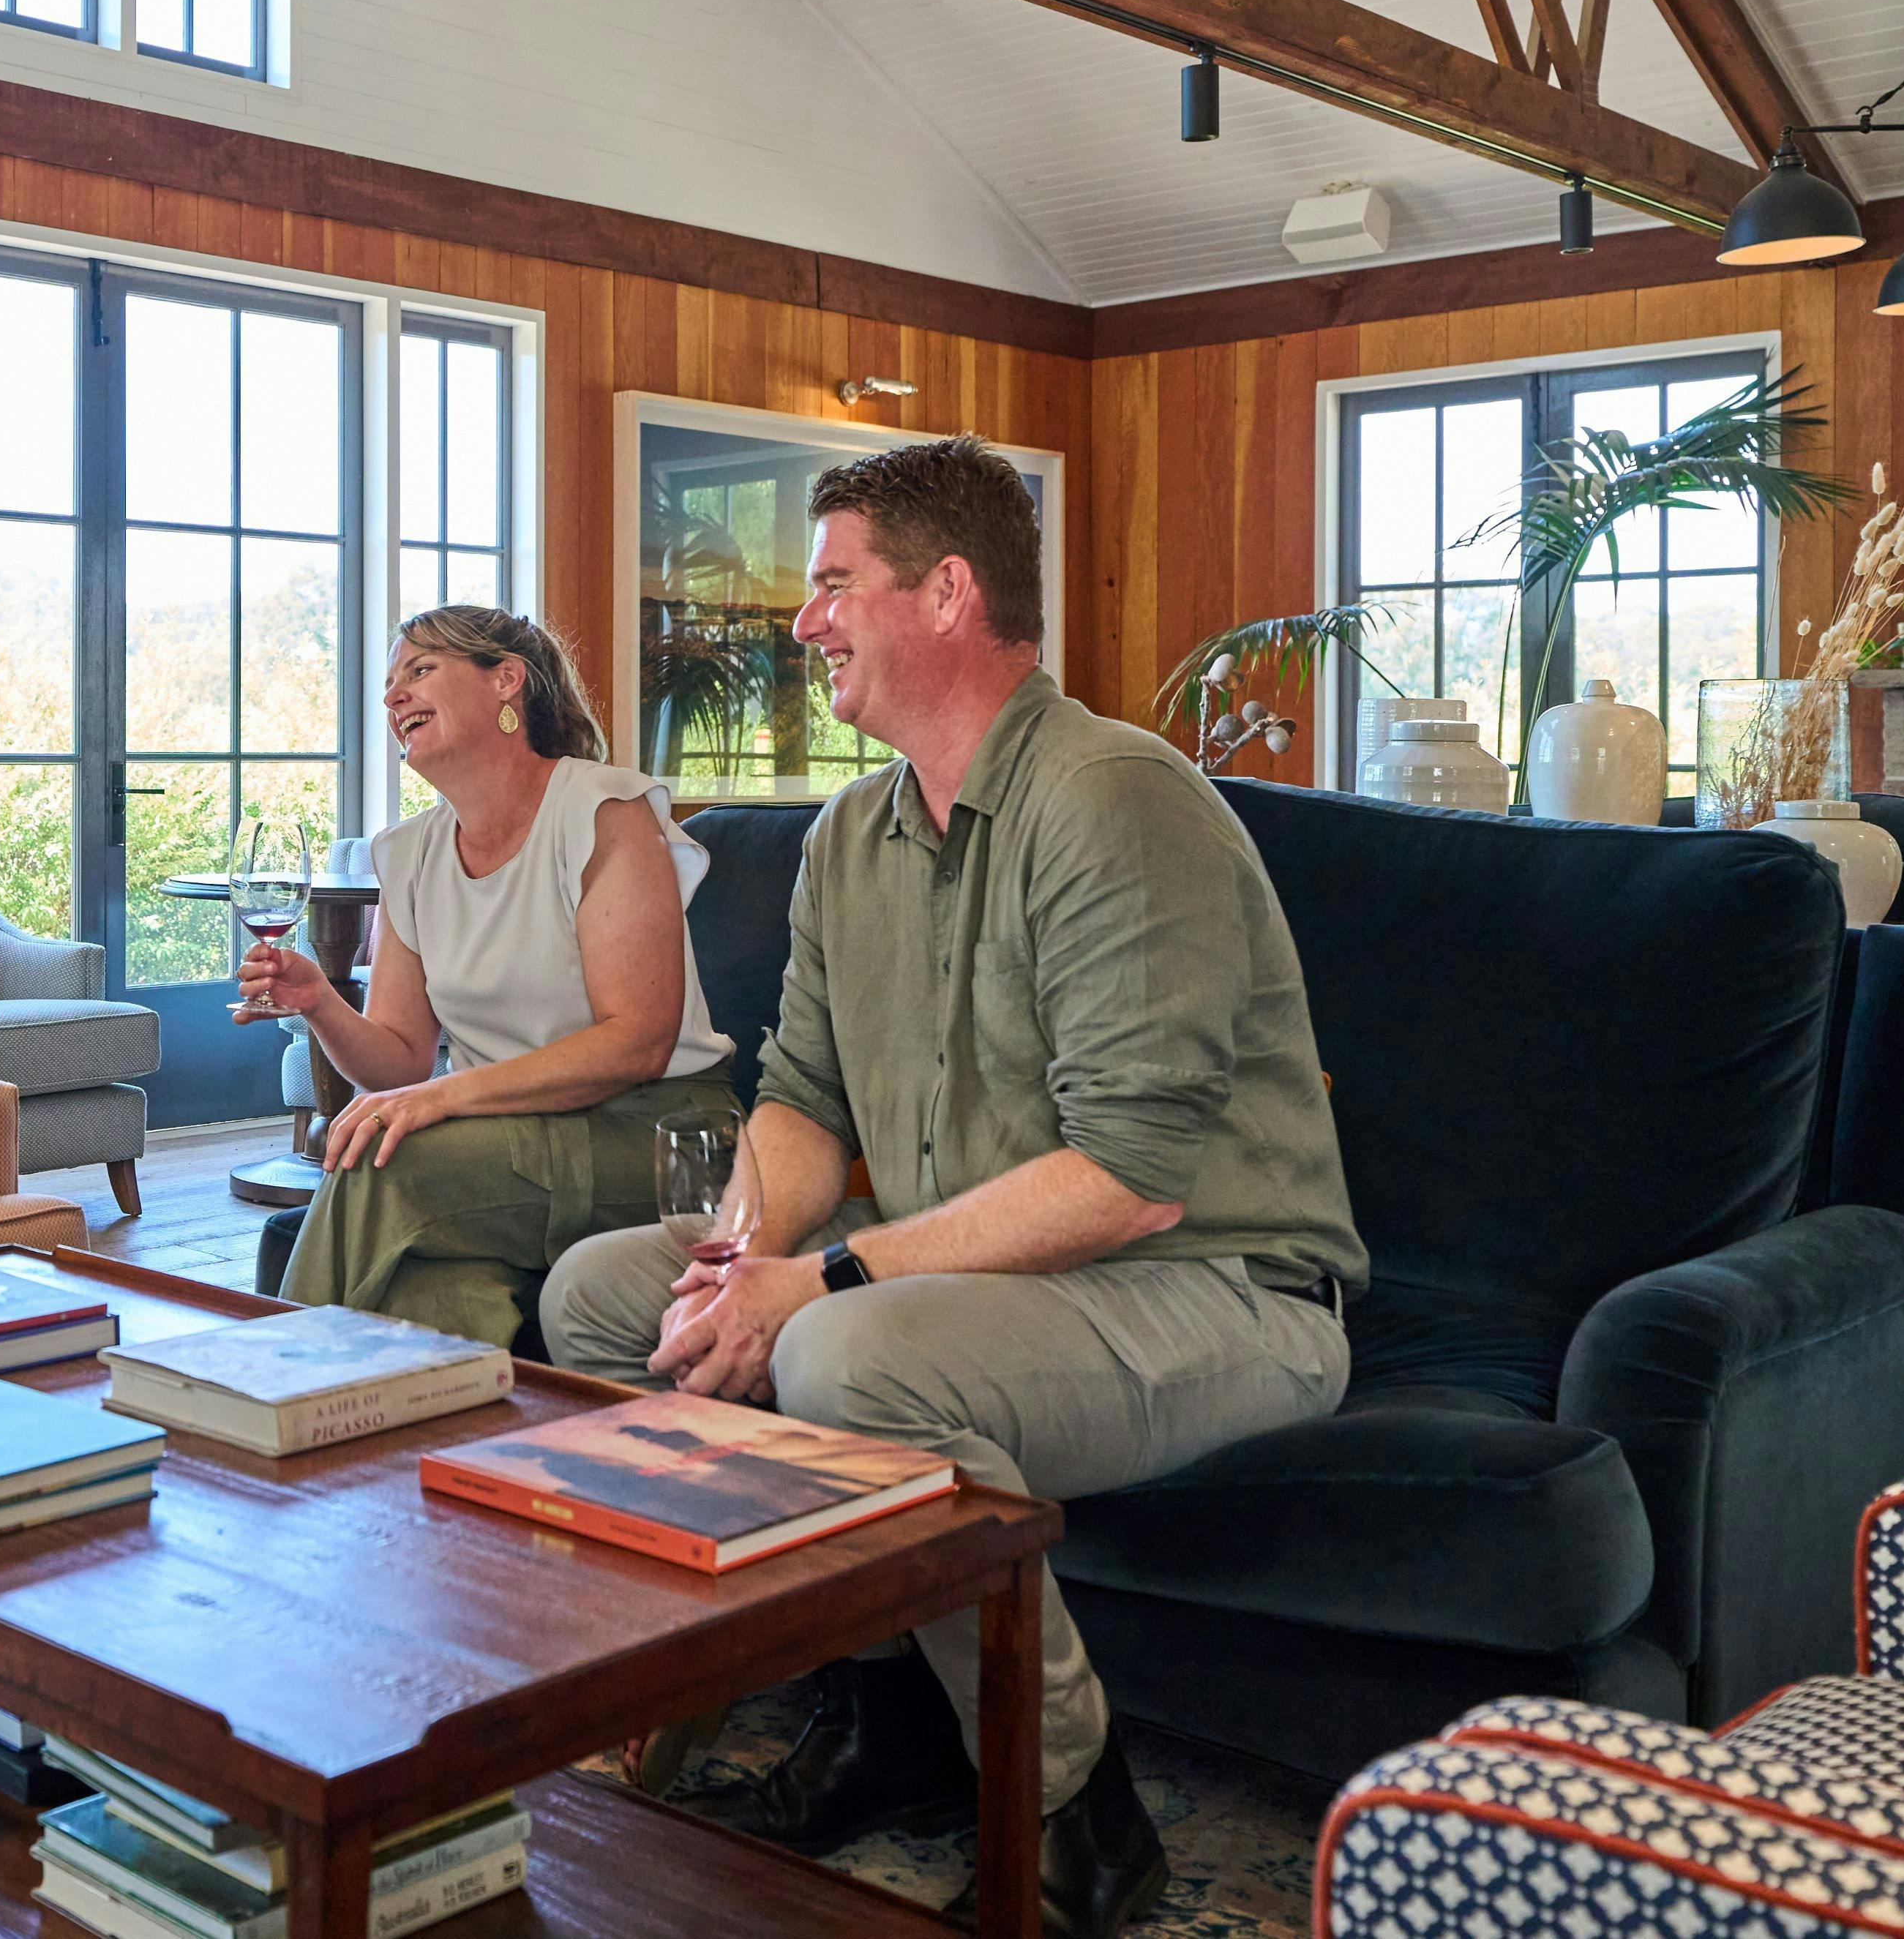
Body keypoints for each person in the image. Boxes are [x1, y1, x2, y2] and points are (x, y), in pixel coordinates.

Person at [539, 438, 1365, 1939]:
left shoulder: (1113, 797)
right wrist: (741, 1256)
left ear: (948, 593)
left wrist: (824, 1282)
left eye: (835, 583)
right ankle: (884, 1707)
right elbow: (796, 1098)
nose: (806, 623)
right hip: (986, 1272)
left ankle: (1073, 1807)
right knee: (607, 1290)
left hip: (1221, 1291)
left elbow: (1125, 1181)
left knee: (844, 1348)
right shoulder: (854, 832)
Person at [240, 604, 741, 1351]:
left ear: (506, 682)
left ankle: (266, 1377)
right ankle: (462, 1448)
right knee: (433, 1285)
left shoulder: (604, 810)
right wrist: (318, 1003)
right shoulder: (407, 853)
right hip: (504, 1136)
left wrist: (438, 1097)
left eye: (419, 670)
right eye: (388, 684)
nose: (392, 698)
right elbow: (401, 1057)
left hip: (657, 1132)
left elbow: (635, 1041)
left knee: (384, 1160)